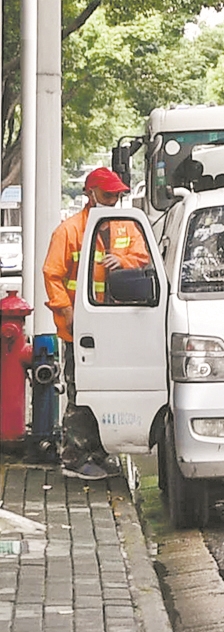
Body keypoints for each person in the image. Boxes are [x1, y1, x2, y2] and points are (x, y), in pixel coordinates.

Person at [42, 166, 151, 480]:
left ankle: (97, 453)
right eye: (108, 194)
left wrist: (124, 261)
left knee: (107, 392)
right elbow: (52, 275)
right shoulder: (69, 231)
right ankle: (75, 457)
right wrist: (67, 312)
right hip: (83, 329)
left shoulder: (125, 226)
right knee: (81, 392)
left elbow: (142, 257)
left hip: (117, 325)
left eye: (117, 195)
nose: (113, 200)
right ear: (90, 194)